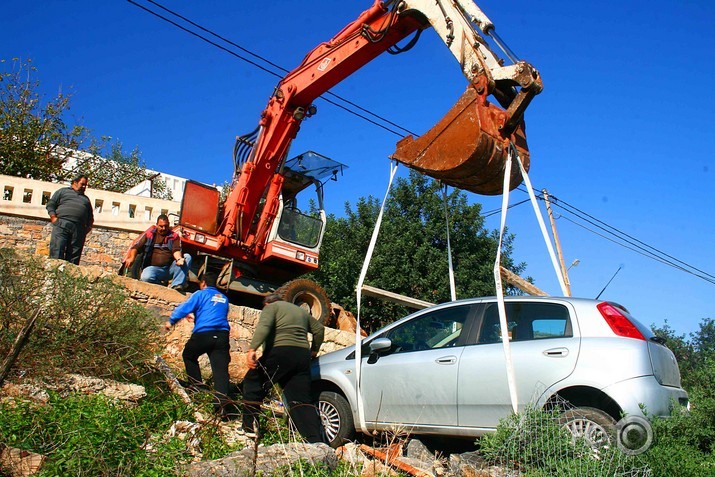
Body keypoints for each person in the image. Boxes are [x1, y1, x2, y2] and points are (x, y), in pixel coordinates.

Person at [242, 294, 326, 442]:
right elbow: (319, 329)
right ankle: (315, 442)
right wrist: (314, 350)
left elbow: (264, 326)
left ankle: (249, 428)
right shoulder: (301, 312)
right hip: (302, 357)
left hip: (280, 351)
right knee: (300, 400)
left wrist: (252, 349)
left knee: (253, 382)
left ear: (267, 304)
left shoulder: (272, 307)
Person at [166, 272, 232, 417]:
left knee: (189, 355)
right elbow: (213, 312)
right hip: (222, 336)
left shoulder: (200, 294)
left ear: (203, 283)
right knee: (220, 371)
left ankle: (196, 387)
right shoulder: (224, 299)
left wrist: (171, 321)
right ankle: (221, 408)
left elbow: (185, 307)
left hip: (204, 333)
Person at [124, 214, 191, 290]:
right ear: (156, 225)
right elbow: (135, 247)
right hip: (154, 269)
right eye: (161, 226)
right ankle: (161, 287)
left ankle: (177, 285)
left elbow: (176, 250)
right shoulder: (149, 234)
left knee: (187, 257)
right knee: (146, 277)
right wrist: (132, 258)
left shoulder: (174, 236)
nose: (163, 228)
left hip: (169, 269)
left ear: (169, 225)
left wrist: (179, 259)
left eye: (166, 226)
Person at [46, 174, 94, 265]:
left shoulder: (86, 199)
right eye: (82, 184)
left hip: (78, 229)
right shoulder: (62, 192)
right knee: (57, 250)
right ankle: (54, 274)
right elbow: (51, 204)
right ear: (75, 182)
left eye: (85, 185)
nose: (84, 187)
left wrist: (86, 228)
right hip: (62, 224)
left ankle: (69, 277)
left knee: (73, 257)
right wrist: (53, 217)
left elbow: (90, 216)